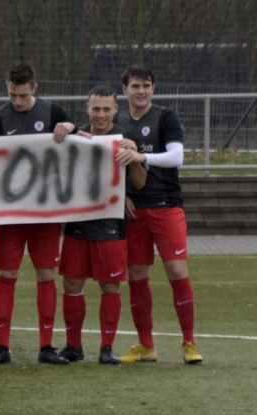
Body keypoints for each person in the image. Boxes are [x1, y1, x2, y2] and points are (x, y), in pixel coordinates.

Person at [0, 62, 76, 365]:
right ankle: (2, 347)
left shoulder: (53, 113)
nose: (18, 102)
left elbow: (82, 144)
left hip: (45, 212)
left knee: (45, 274)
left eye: (23, 95)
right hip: (10, 214)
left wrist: (73, 128)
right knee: (7, 275)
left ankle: (46, 347)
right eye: (13, 95)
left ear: (35, 88)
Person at [115, 65, 203, 364]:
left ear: (153, 88)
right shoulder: (116, 120)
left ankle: (189, 342)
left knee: (176, 271)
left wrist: (141, 155)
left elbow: (176, 156)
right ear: (124, 88)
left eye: (147, 85)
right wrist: (121, 195)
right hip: (132, 210)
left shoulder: (166, 117)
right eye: (136, 85)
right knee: (136, 274)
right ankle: (146, 346)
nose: (141, 91)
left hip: (166, 204)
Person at [60, 85, 147, 364]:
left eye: (106, 109)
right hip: (77, 222)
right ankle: (73, 346)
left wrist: (133, 159)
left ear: (116, 110)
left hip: (110, 224)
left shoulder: (125, 139)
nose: (101, 114)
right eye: (95, 108)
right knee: (72, 283)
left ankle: (106, 348)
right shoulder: (75, 137)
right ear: (87, 108)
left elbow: (140, 182)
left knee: (110, 285)